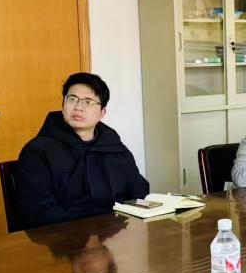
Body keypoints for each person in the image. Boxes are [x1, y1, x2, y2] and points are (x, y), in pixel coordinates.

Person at [15, 72, 149, 229]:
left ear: (102, 113)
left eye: (88, 102)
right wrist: (92, 229)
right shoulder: (37, 152)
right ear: (63, 104)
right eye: (72, 99)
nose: (78, 107)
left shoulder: (114, 147)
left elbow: (139, 190)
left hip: (114, 233)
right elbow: (39, 212)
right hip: (62, 238)